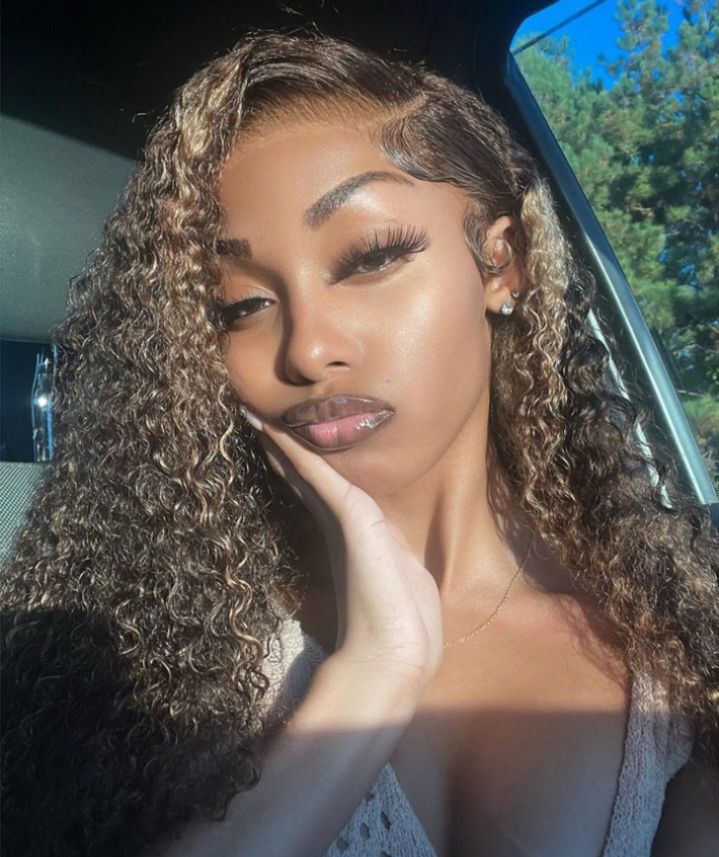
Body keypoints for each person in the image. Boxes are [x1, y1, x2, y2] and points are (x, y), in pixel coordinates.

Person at [1, 28, 718, 857]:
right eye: (241, 306)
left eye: (370, 259)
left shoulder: (673, 639)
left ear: (500, 264)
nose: (307, 349)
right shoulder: (168, 658)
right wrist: (376, 671)